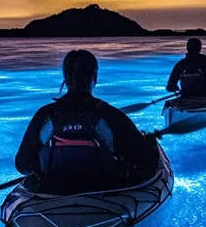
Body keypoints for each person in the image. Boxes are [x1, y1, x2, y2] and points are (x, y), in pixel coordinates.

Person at [15, 49, 159, 193]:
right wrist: (148, 143)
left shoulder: (45, 115)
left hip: (52, 190)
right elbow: (145, 163)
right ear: (94, 77)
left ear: (65, 77)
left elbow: (22, 165)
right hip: (104, 191)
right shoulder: (110, 115)